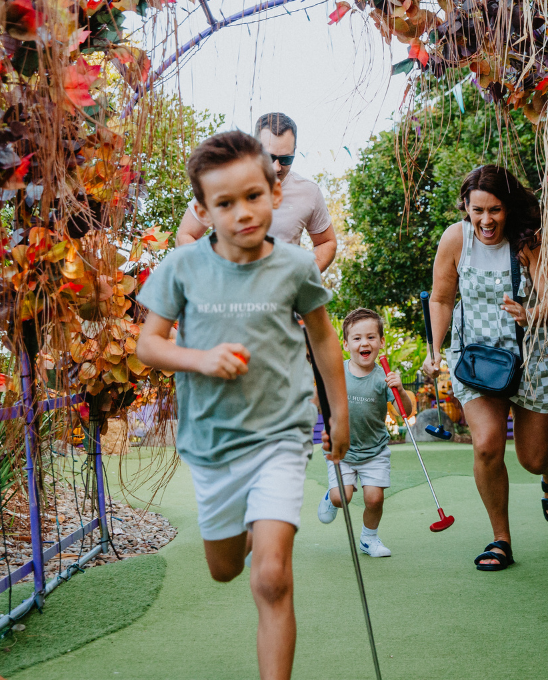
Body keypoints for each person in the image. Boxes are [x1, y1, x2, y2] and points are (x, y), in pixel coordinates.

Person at [136, 130, 349, 680]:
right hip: (212, 443)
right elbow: (148, 343)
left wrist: (338, 412)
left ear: (275, 194)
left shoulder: (297, 266)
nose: (242, 213)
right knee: (227, 570)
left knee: (271, 577)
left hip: (280, 433)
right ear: (203, 210)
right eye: (224, 203)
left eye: (253, 196)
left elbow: (324, 338)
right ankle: (252, 525)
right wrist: (201, 359)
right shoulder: (181, 268)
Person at [422, 165, 548, 573]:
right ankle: (500, 539)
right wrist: (436, 349)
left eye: (495, 210)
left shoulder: (528, 241)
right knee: (487, 445)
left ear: (508, 208)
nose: (486, 220)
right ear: (466, 209)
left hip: (530, 358)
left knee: (532, 457)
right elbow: (440, 299)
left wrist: (530, 313)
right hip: (476, 361)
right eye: (477, 211)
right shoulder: (456, 239)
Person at [176, 112, 338, 272]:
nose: (277, 167)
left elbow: (326, 242)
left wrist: (303, 278)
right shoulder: (223, 181)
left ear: (295, 151)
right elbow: (186, 235)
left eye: (286, 159)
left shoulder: (308, 192)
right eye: (269, 157)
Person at [316, 308, 414, 558]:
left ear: (381, 342)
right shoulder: (337, 371)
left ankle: (369, 539)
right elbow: (318, 401)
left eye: (371, 337)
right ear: (346, 343)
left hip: (374, 451)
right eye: (357, 338)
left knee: (374, 499)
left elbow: (407, 411)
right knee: (342, 498)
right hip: (342, 450)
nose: (364, 343)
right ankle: (330, 496)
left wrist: (400, 390)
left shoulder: (385, 377)